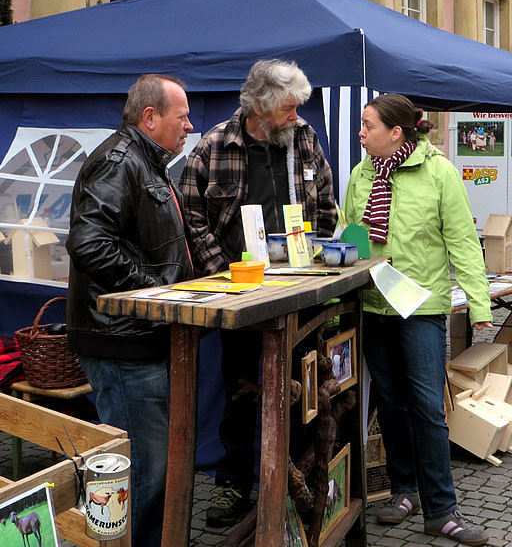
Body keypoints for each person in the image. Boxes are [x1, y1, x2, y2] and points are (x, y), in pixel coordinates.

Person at [179, 59, 337, 526]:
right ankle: (233, 486)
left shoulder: (303, 138)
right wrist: (224, 279)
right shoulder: (212, 147)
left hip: (298, 291)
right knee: (241, 392)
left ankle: (299, 483)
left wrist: (315, 260)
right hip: (241, 293)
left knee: (303, 389)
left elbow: (325, 199)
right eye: (288, 108)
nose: (296, 116)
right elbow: (192, 217)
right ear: (260, 107)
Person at [344, 94, 492, 545]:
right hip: (372, 304)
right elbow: (349, 232)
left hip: (421, 308)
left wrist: (480, 305)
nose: (360, 132)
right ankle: (403, 490)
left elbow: (463, 242)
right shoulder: (362, 172)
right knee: (390, 403)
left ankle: (442, 509)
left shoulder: (438, 171)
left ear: (396, 132)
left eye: (367, 125)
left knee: (428, 409)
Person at [66, 74, 194, 547]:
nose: (188, 125)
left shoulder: (147, 160)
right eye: (181, 117)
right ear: (150, 117)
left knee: (151, 465)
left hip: (139, 337)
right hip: (121, 340)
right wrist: (153, 291)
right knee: (141, 467)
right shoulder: (120, 160)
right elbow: (89, 244)